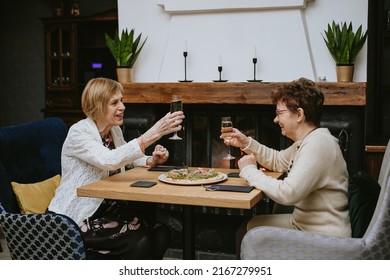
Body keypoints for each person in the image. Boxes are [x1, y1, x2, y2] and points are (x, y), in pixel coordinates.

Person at [48, 77, 185, 259]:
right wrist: (155, 132)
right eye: (115, 103)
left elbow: (126, 157)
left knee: (161, 233)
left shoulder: (113, 130)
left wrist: (150, 160)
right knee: (140, 240)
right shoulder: (78, 132)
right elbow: (109, 160)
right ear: (97, 106)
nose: (122, 106)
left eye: (121, 100)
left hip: (105, 209)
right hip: (75, 216)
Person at [221, 77, 351, 257]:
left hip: (323, 237)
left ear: (299, 115)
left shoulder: (318, 145)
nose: (275, 119)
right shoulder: (308, 141)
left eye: (279, 113)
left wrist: (249, 171)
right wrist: (247, 142)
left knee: (246, 232)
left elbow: (287, 193)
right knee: (246, 228)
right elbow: (278, 160)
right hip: (305, 225)